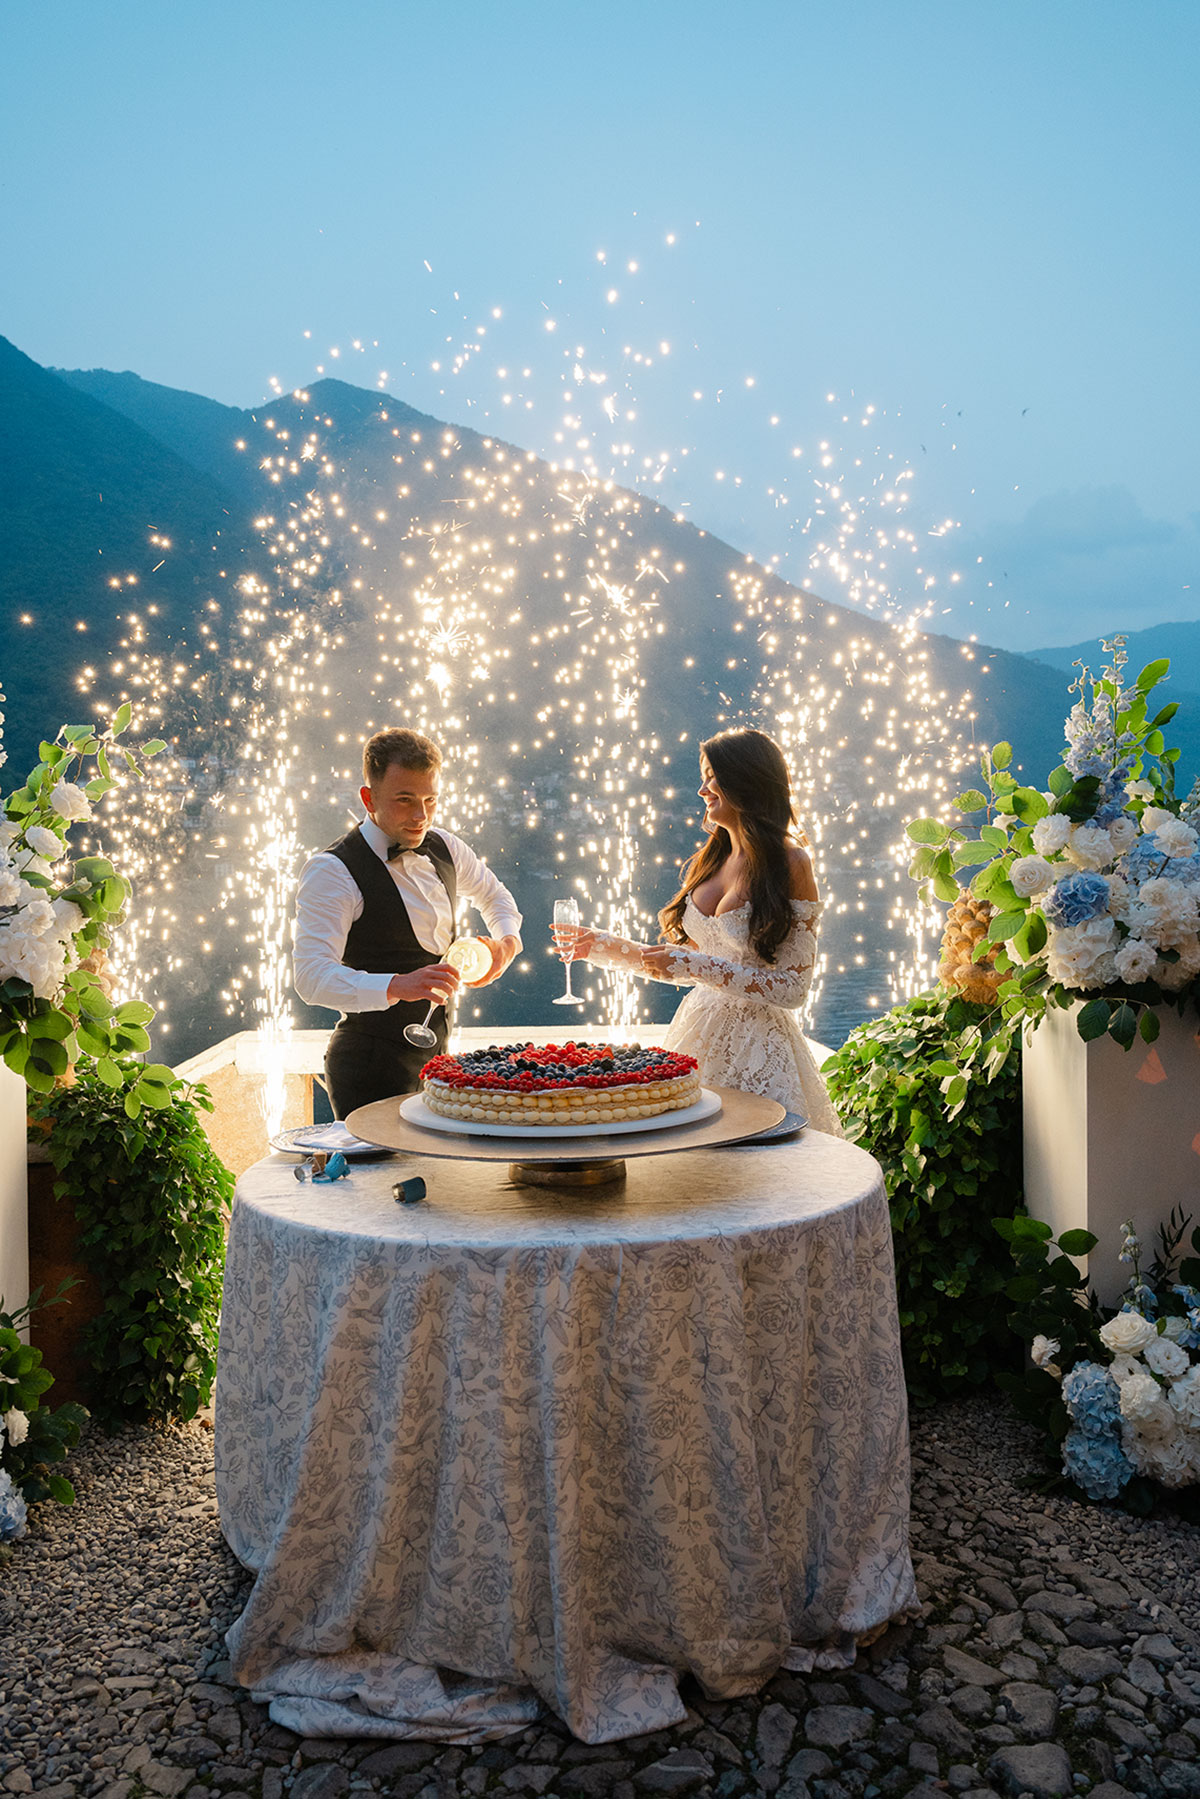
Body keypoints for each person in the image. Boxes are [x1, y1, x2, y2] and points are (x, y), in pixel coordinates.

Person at [558, 728, 841, 1132]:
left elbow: (791, 990)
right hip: (699, 1030)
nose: (702, 790)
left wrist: (691, 963)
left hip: (759, 1046)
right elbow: (689, 961)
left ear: (746, 780)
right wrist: (602, 947)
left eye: (712, 777)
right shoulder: (709, 861)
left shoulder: (792, 862)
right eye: (704, 777)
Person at [293, 727, 523, 1118]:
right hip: (366, 1068)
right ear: (369, 798)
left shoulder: (446, 846)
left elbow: (496, 897)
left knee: (432, 1178)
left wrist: (506, 944)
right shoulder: (331, 870)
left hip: (437, 1064)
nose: (421, 816)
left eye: (430, 800)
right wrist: (399, 986)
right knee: (379, 1179)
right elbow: (311, 977)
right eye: (405, 800)